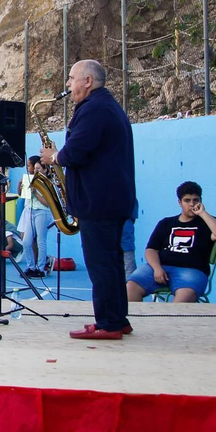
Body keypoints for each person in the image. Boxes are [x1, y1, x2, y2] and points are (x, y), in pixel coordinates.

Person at [40, 59, 136, 340]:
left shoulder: (94, 109)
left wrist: (54, 157)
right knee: (112, 262)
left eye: (71, 79)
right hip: (112, 199)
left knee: (100, 264)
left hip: (99, 201)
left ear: (88, 81)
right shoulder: (106, 106)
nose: (68, 85)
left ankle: (107, 323)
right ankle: (118, 319)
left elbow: (77, 152)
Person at [127, 182, 216, 303]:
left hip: (191, 270)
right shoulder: (166, 223)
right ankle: (138, 322)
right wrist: (157, 268)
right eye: (187, 200)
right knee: (130, 287)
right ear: (180, 202)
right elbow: (151, 249)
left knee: (184, 298)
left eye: (195, 200)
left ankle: (170, 322)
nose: (192, 204)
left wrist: (203, 213)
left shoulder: (206, 223)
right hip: (160, 267)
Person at [17, 157, 55, 277]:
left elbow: (46, 203)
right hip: (30, 210)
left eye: (39, 168)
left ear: (45, 170)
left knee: (40, 240)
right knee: (26, 241)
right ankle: (31, 267)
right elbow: (21, 194)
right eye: (36, 168)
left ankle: (40, 268)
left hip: (42, 212)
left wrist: (35, 192)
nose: (36, 171)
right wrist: (20, 185)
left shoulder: (47, 183)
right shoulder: (30, 179)